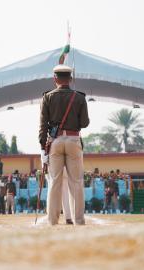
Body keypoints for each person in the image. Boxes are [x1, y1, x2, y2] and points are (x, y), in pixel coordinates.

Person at [39, 64, 89, 225]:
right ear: (71, 78)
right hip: (74, 140)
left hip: (55, 141)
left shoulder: (47, 97)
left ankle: (52, 220)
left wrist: (43, 148)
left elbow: (43, 125)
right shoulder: (79, 97)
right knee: (76, 182)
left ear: (55, 78)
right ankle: (79, 220)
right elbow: (85, 123)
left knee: (55, 181)